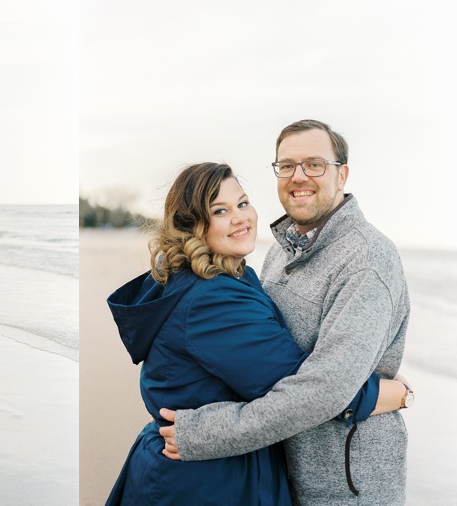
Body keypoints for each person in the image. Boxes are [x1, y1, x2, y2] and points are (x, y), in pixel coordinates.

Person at [105, 162, 407, 505]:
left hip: (197, 468)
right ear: (192, 227)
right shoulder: (214, 299)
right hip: (206, 482)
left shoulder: (218, 277)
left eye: (243, 203)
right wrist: (395, 394)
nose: (240, 218)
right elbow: (303, 387)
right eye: (220, 211)